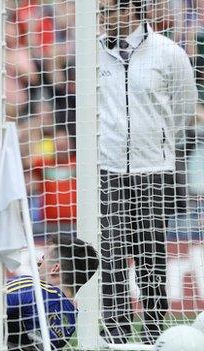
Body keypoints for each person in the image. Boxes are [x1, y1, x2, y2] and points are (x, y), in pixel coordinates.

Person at [98, 0, 197, 344]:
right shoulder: (92, 53)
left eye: (109, 10)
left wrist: (158, 143)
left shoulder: (169, 53)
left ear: (131, 10)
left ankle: (154, 334)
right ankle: (115, 337)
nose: (103, 18)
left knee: (150, 256)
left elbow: (184, 108)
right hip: (107, 170)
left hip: (154, 170)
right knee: (109, 257)